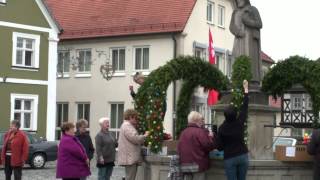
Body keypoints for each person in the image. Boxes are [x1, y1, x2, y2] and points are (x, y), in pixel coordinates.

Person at [216, 80, 249, 180]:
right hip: (242, 155)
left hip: (230, 157)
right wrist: (246, 90)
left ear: (225, 116)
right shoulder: (239, 122)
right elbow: (244, 107)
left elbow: (220, 147)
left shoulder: (222, 129)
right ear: (236, 114)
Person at [230, 0, 262, 83]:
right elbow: (231, 26)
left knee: (250, 59)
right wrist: (237, 32)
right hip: (238, 40)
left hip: (250, 41)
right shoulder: (235, 12)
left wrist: (248, 21)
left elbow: (260, 24)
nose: (238, 1)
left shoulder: (252, 9)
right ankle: (237, 78)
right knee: (237, 57)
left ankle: (253, 80)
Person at [177, 111, 215, 180]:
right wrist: (211, 137)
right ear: (196, 121)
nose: (202, 122)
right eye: (201, 120)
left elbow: (179, 147)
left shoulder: (183, 132)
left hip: (185, 165)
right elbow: (208, 146)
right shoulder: (200, 131)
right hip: (197, 164)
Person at [117, 109, 149, 180]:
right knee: (130, 178)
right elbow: (135, 138)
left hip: (130, 157)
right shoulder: (127, 126)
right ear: (130, 117)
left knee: (130, 177)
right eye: (135, 118)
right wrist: (145, 135)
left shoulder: (127, 125)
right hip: (130, 158)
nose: (136, 120)